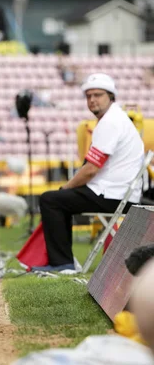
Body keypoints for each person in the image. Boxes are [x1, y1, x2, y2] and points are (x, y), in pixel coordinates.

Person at [33, 73, 145, 272]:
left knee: (51, 200)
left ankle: (63, 264)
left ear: (111, 96)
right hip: (119, 192)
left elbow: (91, 169)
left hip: (113, 195)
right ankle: (63, 261)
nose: (92, 99)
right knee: (58, 199)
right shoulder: (116, 118)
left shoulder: (110, 122)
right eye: (88, 95)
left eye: (98, 95)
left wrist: (66, 187)